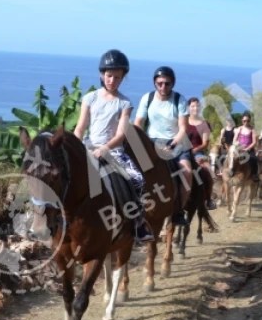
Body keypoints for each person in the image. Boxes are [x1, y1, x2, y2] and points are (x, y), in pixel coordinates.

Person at [73, 49, 154, 242]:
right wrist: (77, 145)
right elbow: (80, 127)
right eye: (109, 76)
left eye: (117, 77)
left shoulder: (124, 103)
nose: (112, 80)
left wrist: (104, 149)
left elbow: (120, 134)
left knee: (138, 180)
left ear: (123, 78)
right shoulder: (90, 98)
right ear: (102, 74)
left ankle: (137, 223)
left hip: (113, 150)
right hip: (88, 147)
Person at [134, 66, 191, 226]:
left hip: (176, 142)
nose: (163, 87)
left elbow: (183, 128)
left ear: (172, 83)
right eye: (159, 83)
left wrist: (171, 146)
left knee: (186, 172)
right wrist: (138, 143)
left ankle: (178, 210)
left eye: (167, 83)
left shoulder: (179, 100)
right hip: (151, 141)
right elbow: (138, 123)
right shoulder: (147, 98)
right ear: (155, 83)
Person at [185, 97, 217, 210]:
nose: (195, 108)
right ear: (188, 107)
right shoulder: (183, 121)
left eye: (197, 106)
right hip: (182, 152)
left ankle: (209, 199)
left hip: (198, 153)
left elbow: (205, 143)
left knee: (209, 171)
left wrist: (195, 150)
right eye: (193, 106)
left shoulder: (204, 124)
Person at [233, 113, 259, 183]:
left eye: (247, 121)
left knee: (254, 159)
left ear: (249, 121)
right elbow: (234, 140)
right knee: (229, 157)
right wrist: (238, 147)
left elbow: (254, 142)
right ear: (242, 120)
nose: (246, 122)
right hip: (239, 148)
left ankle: (254, 175)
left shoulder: (252, 129)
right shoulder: (239, 129)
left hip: (249, 149)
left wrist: (247, 148)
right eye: (244, 121)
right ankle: (227, 171)